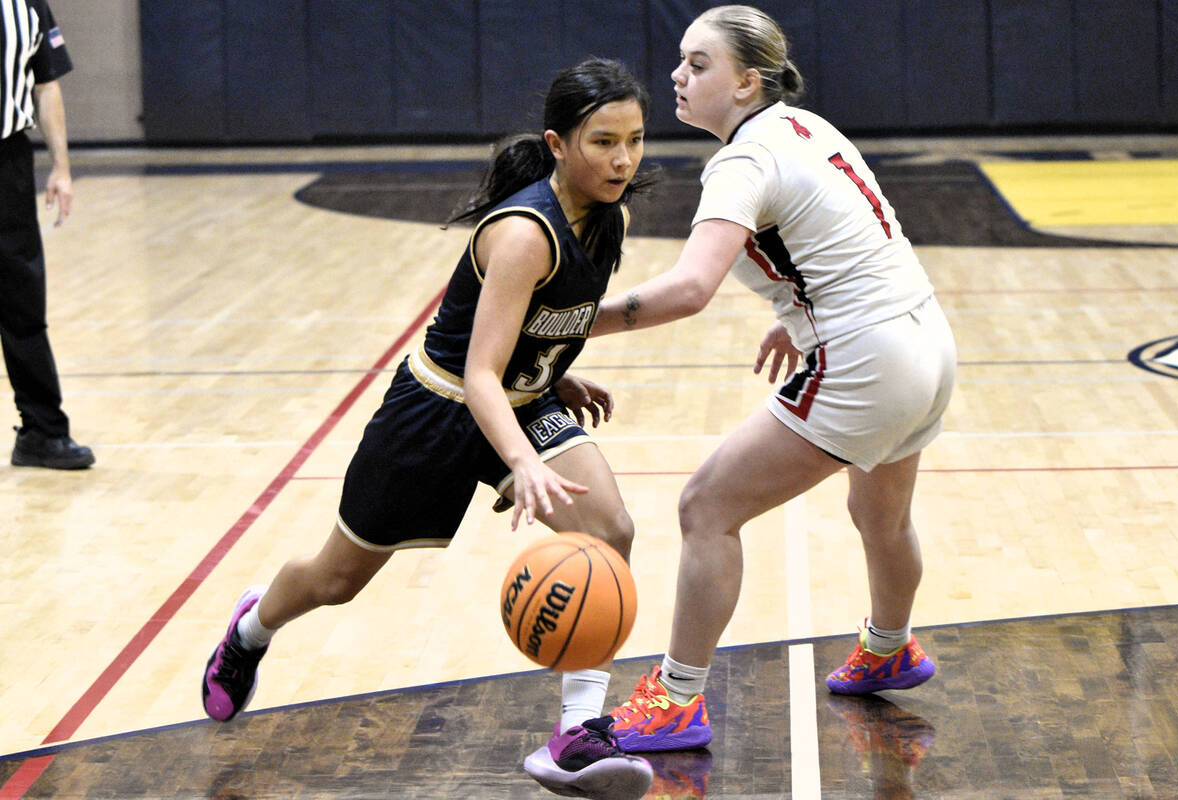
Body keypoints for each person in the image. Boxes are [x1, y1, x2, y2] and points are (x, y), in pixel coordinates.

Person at [200, 57, 655, 800]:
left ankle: (576, 733)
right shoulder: (523, 233)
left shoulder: (611, 216)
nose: (624, 159)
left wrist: (554, 368)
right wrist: (524, 461)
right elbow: (479, 372)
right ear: (557, 144)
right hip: (438, 411)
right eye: (605, 142)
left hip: (522, 400)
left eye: (635, 140)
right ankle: (251, 629)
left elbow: (532, 330)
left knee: (611, 530)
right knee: (335, 580)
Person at [587, 5, 957, 752]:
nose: (676, 76)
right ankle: (890, 646)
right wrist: (797, 313)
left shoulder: (743, 160)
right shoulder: (808, 127)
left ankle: (676, 698)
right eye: (680, 61)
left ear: (747, 82)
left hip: (866, 360)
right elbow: (849, 237)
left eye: (698, 64)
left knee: (705, 508)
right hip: (928, 344)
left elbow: (690, 289)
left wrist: (564, 319)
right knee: (881, 516)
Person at [1, 0, 94, 469]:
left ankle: (42, 431)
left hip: (8, 163)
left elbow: (46, 83)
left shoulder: (28, 4)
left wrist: (62, 166)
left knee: (22, 303)